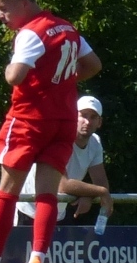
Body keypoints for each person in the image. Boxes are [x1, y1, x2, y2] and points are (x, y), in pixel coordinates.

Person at [0, 0, 101, 263]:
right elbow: (94, 65)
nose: (0, 16)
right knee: (47, 194)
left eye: (4, 8)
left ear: (23, 3)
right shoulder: (67, 28)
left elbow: (15, 76)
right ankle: (37, 257)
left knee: (8, 191)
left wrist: (12, 66)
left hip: (29, 121)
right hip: (63, 121)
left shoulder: (30, 33)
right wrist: (61, 80)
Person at [15, 95, 112, 238]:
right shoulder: (59, 138)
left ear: (99, 122)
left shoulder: (95, 142)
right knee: (20, 254)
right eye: (83, 115)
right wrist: (100, 192)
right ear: (73, 117)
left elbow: (101, 182)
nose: (87, 121)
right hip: (28, 212)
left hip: (59, 215)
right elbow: (63, 185)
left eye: (93, 117)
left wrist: (90, 195)